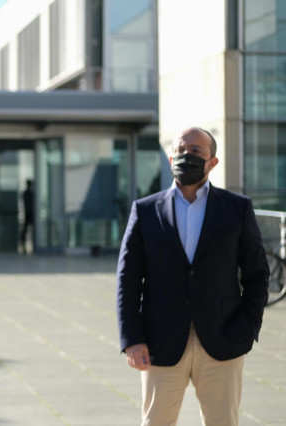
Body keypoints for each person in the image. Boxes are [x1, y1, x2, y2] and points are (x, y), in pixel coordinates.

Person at [116, 127, 269, 425]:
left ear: (212, 162)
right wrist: (131, 338)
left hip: (223, 340)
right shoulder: (145, 211)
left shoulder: (237, 209)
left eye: (196, 151)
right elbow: (127, 280)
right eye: (181, 150)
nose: (186, 156)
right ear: (171, 155)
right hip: (159, 344)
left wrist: (248, 326)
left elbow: (258, 274)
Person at [20, 179, 34, 254]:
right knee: (25, 231)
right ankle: (24, 246)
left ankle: (26, 246)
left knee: (27, 231)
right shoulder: (28, 193)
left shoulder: (29, 193)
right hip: (29, 213)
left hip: (29, 213)